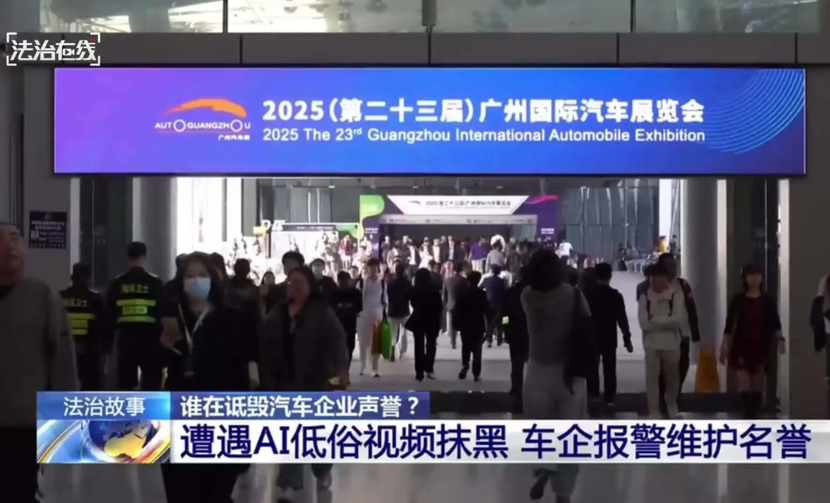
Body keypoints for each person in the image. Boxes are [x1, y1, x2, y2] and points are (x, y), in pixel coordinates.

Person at [159, 252, 255, 503]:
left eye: (202, 275)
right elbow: (156, 365)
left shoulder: (230, 318)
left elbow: (239, 374)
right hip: (179, 413)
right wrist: (163, 347)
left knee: (216, 490)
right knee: (180, 490)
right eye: (190, 276)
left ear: (213, 279)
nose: (196, 280)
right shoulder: (171, 317)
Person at [0, 222, 77, 503]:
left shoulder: (41, 295)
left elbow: (62, 359)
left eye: (15, 238)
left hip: (25, 422)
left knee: (20, 491)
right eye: (1, 240)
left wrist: (63, 414)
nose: (10, 245)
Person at [259, 266, 349, 503]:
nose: (295, 287)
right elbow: (264, 343)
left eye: (300, 282)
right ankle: (289, 483)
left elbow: (338, 344)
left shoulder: (322, 313)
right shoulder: (278, 312)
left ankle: (322, 469)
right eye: (291, 283)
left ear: (310, 286)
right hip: (286, 382)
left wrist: (339, 376)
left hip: (316, 382)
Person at [522, 251, 595, 502]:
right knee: (570, 433)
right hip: (569, 372)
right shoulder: (573, 294)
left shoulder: (527, 296)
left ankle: (544, 466)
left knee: (539, 428)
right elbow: (588, 326)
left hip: (537, 370)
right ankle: (563, 492)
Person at [721, 264, 784, 419]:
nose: (755, 278)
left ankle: (754, 415)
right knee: (744, 384)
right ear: (745, 279)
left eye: (757, 274)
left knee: (757, 385)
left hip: (761, 346)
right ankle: (746, 415)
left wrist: (781, 340)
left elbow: (775, 323)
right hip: (741, 346)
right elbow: (729, 324)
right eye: (751, 275)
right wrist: (724, 345)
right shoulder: (738, 300)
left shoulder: (768, 300)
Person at [105, 241, 167, 390]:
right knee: (151, 381)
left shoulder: (117, 284)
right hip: (151, 340)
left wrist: (107, 345)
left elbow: (109, 316)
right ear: (144, 257)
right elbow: (163, 313)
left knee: (126, 382)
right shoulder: (155, 283)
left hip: (126, 340)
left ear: (127, 257)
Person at [584, 262, 633, 412]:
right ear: (610, 276)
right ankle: (609, 398)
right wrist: (627, 338)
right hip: (609, 336)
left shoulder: (587, 295)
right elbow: (622, 319)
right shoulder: (615, 295)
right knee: (610, 367)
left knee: (592, 367)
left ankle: (593, 395)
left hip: (591, 336)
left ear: (595, 276)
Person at [638, 263, 685, 418]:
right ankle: (654, 410)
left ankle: (672, 406)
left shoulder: (675, 295)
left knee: (672, 378)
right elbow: (644, 323)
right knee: (652, 379)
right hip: (651, 344)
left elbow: (677, 320)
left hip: (672, 344)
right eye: (654, 278)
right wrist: (665, 321)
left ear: (666, 279)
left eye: (660, 278)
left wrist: (655, 320)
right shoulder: (645, 297)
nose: (656, 282)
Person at [655, 253, 699, 415]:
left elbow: (691, 308)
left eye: (675, 265)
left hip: (682, 335)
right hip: (663, 337)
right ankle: (663, 401)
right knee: (663, 372)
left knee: (682, 367)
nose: (674, 269)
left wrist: (695, 332)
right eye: (670, 266)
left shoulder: (683, 285)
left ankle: (675, 397)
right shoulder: (655, 286)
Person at [60, 263, 106, 390]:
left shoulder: (61, 297)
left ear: (72, 277)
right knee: (90, 388)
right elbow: (102, 327)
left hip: (67, 352)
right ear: (89, 278)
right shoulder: (95, 298)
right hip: (90, 352)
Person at [407, 268, 443, 381]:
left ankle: (419, 372)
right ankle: (429, 368)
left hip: (418, 319)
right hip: (432, 319)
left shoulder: (414, 289)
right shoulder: (434, 289)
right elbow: (439, 306)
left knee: (419, 345)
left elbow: (412, 303)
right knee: (431, 345)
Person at [455, 271, 489, 381]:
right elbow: (486, 310)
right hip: (478, 325)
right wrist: (489, 326)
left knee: (466, 347)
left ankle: (465, 365)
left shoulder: (462, 293)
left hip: (465, 325)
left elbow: (457, 309)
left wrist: (456, 324)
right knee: (477, 350)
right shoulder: (481, 294)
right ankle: (476, 373)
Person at [502, 266, 529, 400]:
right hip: (531, 330)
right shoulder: (535, 292)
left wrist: (506, 327)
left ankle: (516, 387)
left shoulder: (510, 292)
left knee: (516, 362)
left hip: (514, 331)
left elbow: (505, 314)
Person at [356, 258, 386, 377]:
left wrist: (384, 314)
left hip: (377, 315)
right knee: (363, 342)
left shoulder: (382, 283)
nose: (373, 270)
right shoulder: (361, 283)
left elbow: (385, 300)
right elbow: (356, 299)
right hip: (363, 315)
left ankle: (375, 368)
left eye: (375, 267)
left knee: (375, 343)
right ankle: (362, 366)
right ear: (367, 269)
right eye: (371, 267)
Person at [332, 271, 362, 368]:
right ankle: (345, 367)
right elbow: (359, 308)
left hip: (341, 323)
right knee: (348, 346)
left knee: (344, 346)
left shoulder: (334, 292)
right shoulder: (355, 292)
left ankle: (343, 367)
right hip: (347, 323)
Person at [386, 262, 412, 359]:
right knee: (403, 332)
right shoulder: (407, 283)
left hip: (392, 310)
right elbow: (410, 296)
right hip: (404, 310)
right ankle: (402, 351)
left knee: (393, 332)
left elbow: (387, 295)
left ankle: (392, 347)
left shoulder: (390, 282)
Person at [481, 264, 508, 347]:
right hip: (500, 303)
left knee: (489, 321)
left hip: (488, 303)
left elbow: (479, 288)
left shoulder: (486, 280)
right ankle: (499, 338)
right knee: (500, 321)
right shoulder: (502, 281)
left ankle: (489, 339)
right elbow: (506, 291)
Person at [442, 261, 466, 349]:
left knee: (452, 324)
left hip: (450, 304)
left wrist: (445, 304)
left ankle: (453, 342)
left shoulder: (447, 280)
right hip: (461, 304)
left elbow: (444, 295)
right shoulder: (463, 280)